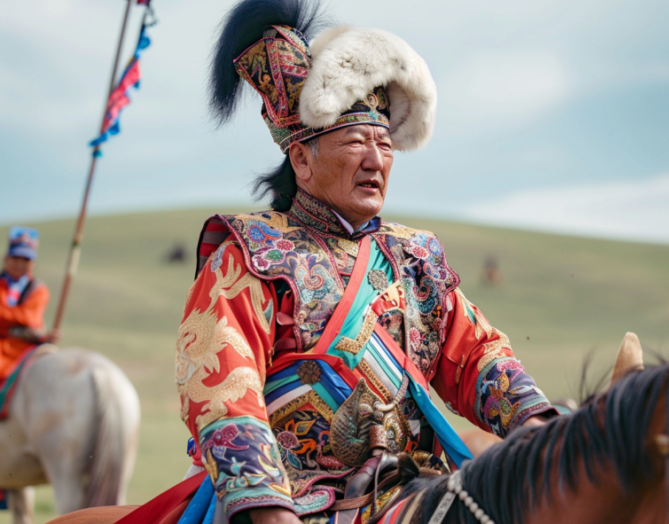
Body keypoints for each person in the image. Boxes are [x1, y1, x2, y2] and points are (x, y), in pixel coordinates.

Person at [142, 1, 560, 523]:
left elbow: (473, 352)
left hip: (405, 485)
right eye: (357, 140)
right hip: (286, 497)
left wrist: (535, 418)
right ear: (302, 159)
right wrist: (266, 505)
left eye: (384, 143)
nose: (375, 159)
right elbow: (224, 382)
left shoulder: (414, 259)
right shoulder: (251, 254)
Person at [0, 227, 57, 382]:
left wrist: (5, 320)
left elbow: (30, 318)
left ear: (33, 263)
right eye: (16, 258)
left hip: (26, 348)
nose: (20, 264)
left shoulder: (39, 290)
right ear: (6, 259)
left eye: (26, 260)